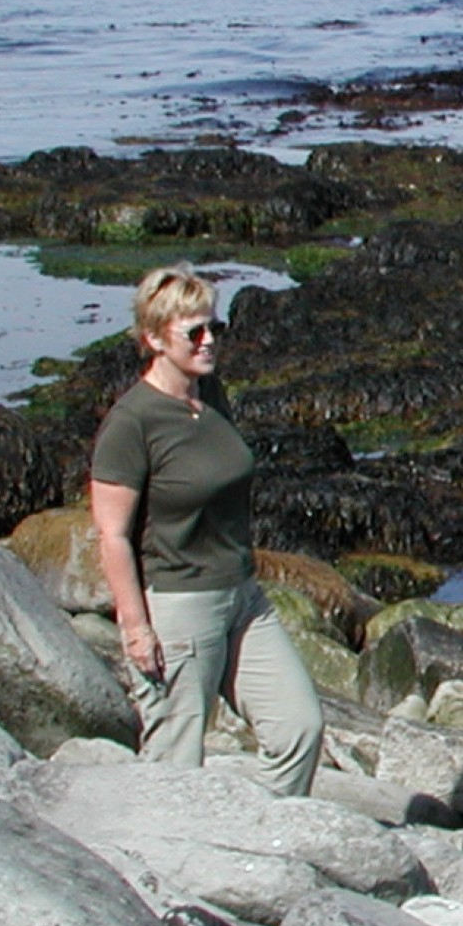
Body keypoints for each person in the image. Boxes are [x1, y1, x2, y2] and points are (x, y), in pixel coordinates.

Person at [89, 264, 322, 795]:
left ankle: (265, 833)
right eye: (194, 332)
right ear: (154, 339)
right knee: (176, 761)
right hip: (179, 604)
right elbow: (113, 535)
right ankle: (163, 843)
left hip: (242, 595)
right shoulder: (131, 423)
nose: (209, 341)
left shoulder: (210, 393)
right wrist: (135, 629)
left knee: (299, 727)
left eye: (215, 327)